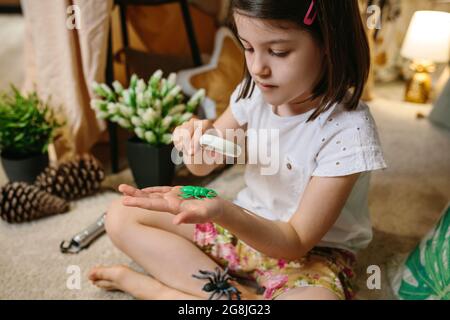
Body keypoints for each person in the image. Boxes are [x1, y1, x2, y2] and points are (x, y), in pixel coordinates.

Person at [88, 0, 387, 300]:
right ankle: (240, 299)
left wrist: (223, 211)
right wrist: (194, 143)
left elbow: (295, 241)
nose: (258, 68)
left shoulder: (350, 130)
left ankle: (154, 290)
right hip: (244, 226)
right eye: (247, 47)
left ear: (328, 42)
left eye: (278, 52)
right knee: (121, 215)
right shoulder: (254, 92)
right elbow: (203, 165)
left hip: (314, 254)